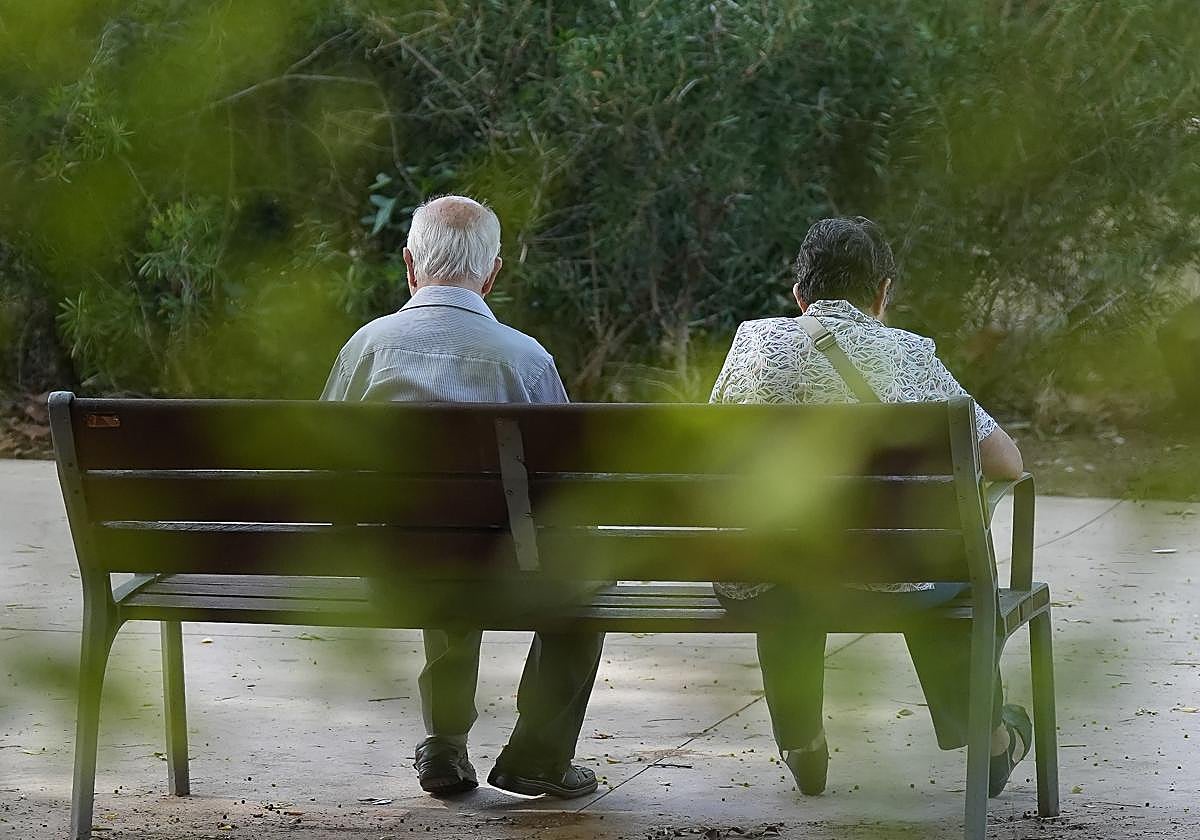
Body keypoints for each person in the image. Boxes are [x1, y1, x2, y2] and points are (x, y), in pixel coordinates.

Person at [709, 216, 1030, 798]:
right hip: (891, 577)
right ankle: (988, 738)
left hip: (764, 577)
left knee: (787, 566)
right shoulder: (910, 354)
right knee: (936, 564)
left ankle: (801, 742)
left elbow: (714, 455)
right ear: (883, 291)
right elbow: (1007, 462)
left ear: (799, 294)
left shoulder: (750, 344)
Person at [321, 195, 604, 799]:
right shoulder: (526, 359)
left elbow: (322, 463)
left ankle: (445, 745)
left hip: (393, 574)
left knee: (433, 547)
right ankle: (538, 754)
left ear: (409, 264)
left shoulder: (366, 348)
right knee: (581, 586)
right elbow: (565, 486)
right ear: (493, 273)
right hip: (507, 573)